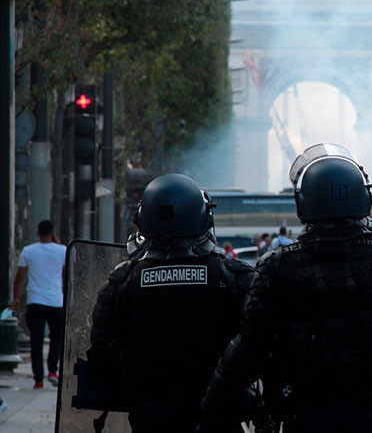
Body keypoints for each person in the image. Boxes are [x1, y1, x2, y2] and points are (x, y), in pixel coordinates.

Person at [198, 144, 372, 433]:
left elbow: (246, 352)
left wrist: (211, 417)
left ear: (303, 203)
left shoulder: (276, 267)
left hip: (302, 419)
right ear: (364, 196)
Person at [87, 174, 253, 433]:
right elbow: (261, 343)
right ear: (205, 218)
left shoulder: (124, 280)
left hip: (149, 415)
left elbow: (101, 352)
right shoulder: (232, 275)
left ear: (143, 218)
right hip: (219, 413)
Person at [12, 220, 66, 389]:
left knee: (36, 340)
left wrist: (16, 298)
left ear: (37, 233)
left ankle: (38, 379)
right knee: (56, 337)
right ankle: (52, 370)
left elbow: (20, 277)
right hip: (56, 300)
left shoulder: (29, 251)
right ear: (53, 232)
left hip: (35, 300)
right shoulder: (63, 250)